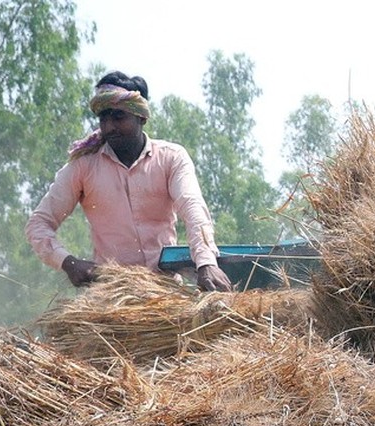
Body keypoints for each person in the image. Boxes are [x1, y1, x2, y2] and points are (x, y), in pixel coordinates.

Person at [25, 71, 232, 292]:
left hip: (165, 291)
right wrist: (68, 262)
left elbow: (193, 208)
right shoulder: (83, 167)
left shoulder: (171, 158)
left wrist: (206, 262)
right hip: (110, 297)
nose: (109, 126)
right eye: (103, 118)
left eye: (118, 117)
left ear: (141, 117)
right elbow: (38, 225)